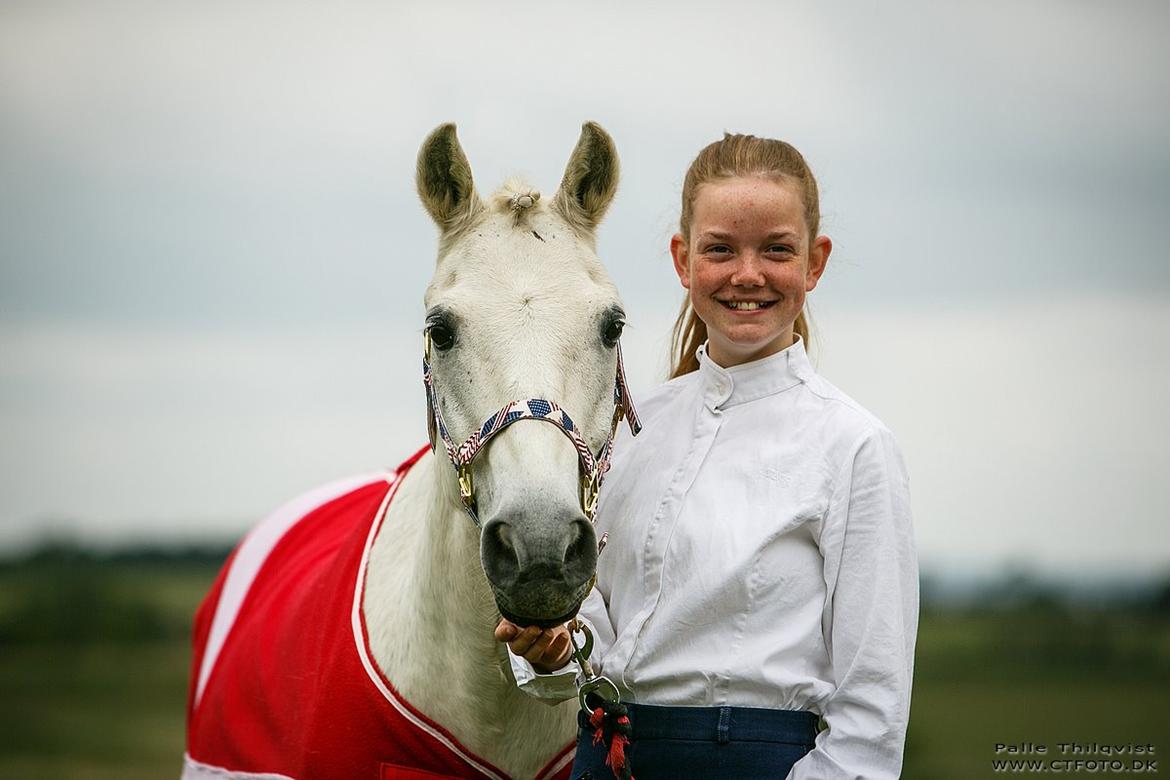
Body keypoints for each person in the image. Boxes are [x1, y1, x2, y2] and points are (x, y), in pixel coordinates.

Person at [495, 133, 918, 779]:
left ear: (815, 262)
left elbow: (872, 713)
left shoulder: (854, 446)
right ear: (683, 260)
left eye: (776, 249)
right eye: (720, 249)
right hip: (604, 757)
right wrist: (556, 646)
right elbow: (601, 628)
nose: (747, 274)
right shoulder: (632, 426)